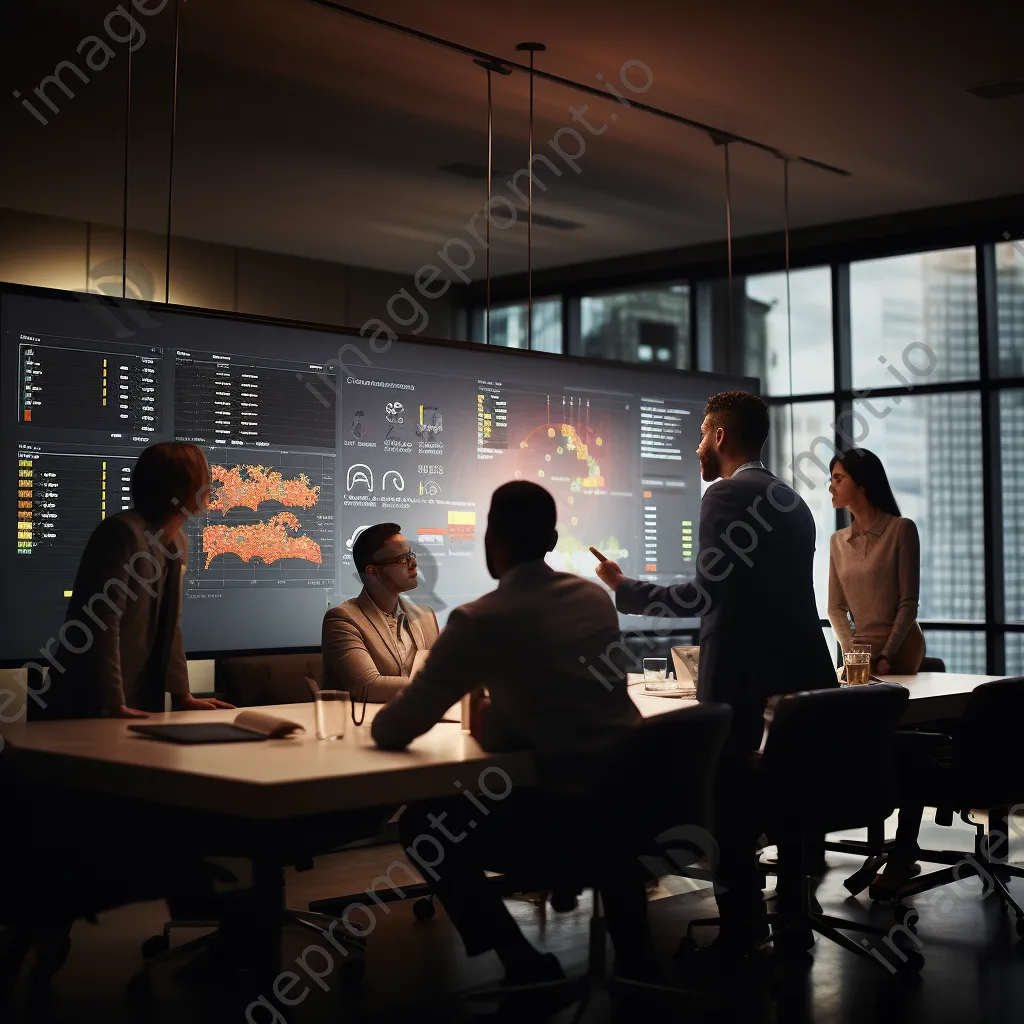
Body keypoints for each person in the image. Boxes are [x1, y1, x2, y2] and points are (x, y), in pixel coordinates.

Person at [371, 482, 651, 991]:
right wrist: (499, 719)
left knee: (423, 827)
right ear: (552, 538)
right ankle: (639, 959)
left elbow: (395, 727)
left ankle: (519, 961)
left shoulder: (480, 619)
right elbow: (569, 704)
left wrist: (486, 713)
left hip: (559, 821)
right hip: (634, 805)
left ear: (490, 539)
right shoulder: (593, 599)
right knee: (606, 819)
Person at [594, 390, 837, 959]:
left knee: (728, 806)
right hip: (801, 677)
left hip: (742, 687)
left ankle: (742, 929)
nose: (697, 447)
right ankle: (794, 920)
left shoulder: (725, 495)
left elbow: (705, 594)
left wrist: (624, 589)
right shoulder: (791, 499)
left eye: (701, 435)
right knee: (789, 797)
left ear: (721, 436)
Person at [44, 442, 234, 719]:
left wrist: (183, 696)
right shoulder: (121, 533)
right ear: (186, 485)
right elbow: (101, 623)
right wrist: (111, 701)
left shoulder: (177, 541)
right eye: (205, 477)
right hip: (87, 703)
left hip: (139, 697)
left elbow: (172, 625)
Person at [827, 449, 925, 676]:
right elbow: (835, 608)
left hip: (901, 652)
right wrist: (853, 654)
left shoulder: (902, 530)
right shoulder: (837, 541)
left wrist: (886, 655)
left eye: (838, 479)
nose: (831, 488)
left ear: (862, 483)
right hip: (861, 654)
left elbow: (908, 604)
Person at [322, 523, 439, 701]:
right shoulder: (342, 620)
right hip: (363, 724)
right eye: (402, 559)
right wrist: (440, 683)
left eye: (411, 555)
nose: (413, 564)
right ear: (373, 572)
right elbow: (368, 686)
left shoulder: (426, 617)